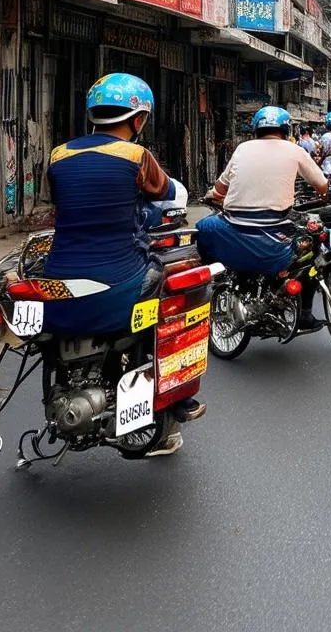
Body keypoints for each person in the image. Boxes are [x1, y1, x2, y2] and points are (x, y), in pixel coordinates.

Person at [44, 72, 202, 457]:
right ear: (138, 119)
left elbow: (64, 206)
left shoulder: (59, 155)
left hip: (57, 284)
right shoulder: (137, 156)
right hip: (119, 283)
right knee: (178, 290)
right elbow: (170, 192)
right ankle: (175, 396)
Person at [198, 106, 329, 332]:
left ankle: (206, 283)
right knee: (310, 250)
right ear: (286, 129)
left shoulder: (242, 149)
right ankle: (304, 313)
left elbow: (220, 188)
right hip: (274, 237)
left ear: (256, 130)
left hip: (234, 229)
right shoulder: (294, 149)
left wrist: (214, 195)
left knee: (202, 227)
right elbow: (322, 185)